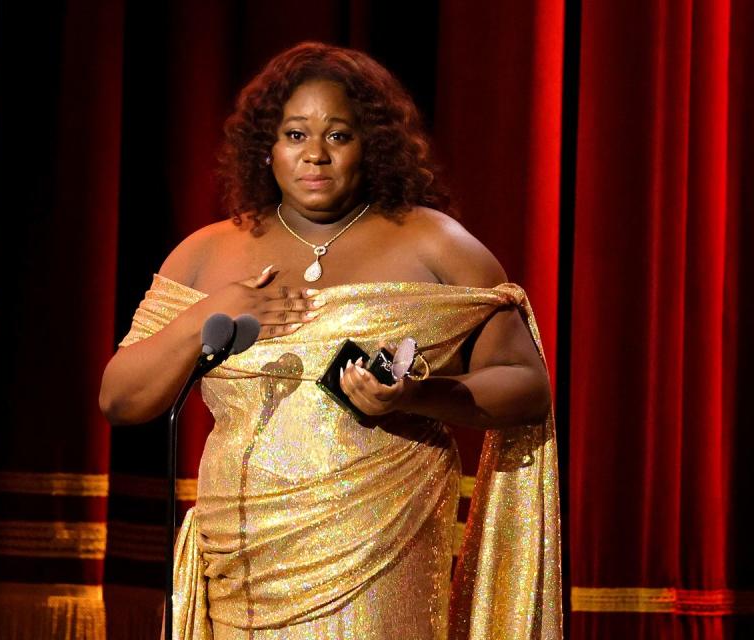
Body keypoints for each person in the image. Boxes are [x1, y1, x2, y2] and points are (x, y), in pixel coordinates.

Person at [99, 42, 561, 640]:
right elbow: (121, 398)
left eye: (338, 136)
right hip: (241, 558)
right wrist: (212, 311)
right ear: (266, 148)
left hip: (378, 555)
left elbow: (527, 388)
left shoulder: (435, 244)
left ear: (372, 146)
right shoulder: (206, 252)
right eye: (295, 135)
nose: (315, 155)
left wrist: (412, 397)